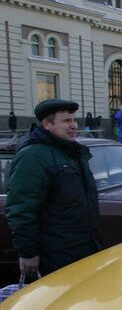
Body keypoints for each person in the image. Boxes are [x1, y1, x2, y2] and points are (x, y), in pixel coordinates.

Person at [4, 98, 102, 277]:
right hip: (56, 256)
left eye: (74, 120)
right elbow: (22, 209)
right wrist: (28, 253)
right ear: (46, 124)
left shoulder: (73, 152)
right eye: (66, 121)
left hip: (83, 248)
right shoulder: (34, 156)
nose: (74, 126)